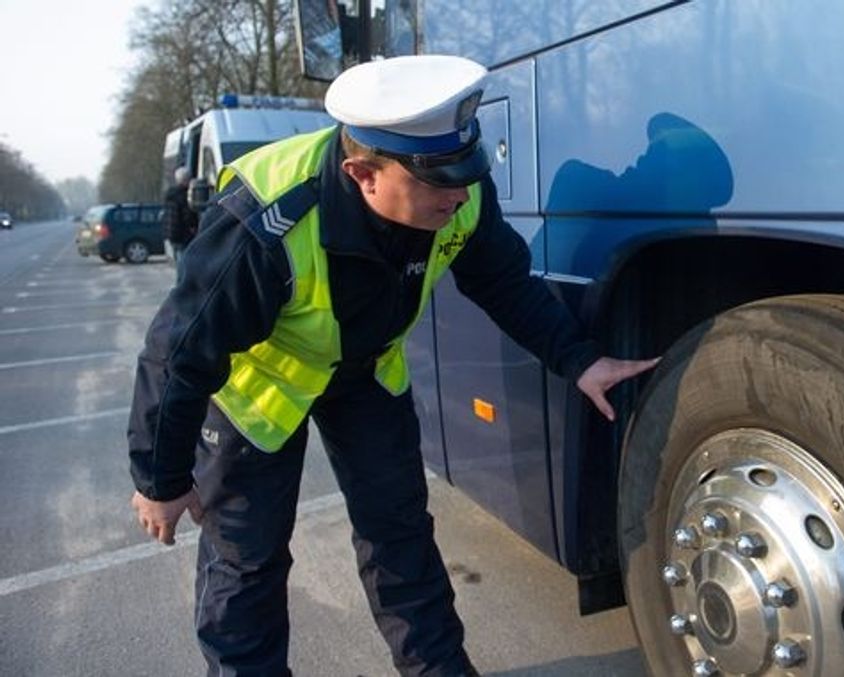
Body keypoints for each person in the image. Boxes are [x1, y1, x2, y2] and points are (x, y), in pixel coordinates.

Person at [127, 55, 658, 677]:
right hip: (262, 385)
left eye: (466, 171)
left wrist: (581, 360)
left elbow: (506, 283)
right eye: (439, 182)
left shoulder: (456, 192)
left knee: (400, 536)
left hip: (365, 373)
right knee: (247, 559)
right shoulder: (266, 221)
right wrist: (159, 480)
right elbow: (180, 353)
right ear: (362, 174)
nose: (460, 194)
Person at [162, 165, 199, 268]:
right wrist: (194, 227)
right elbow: (187, 216)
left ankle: (180, 280)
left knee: (179, 260)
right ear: (187, 180)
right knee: (185, 262)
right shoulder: (184, 195)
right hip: (183, 233)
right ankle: (183, 282)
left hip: (171, 233)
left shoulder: (169, 194)